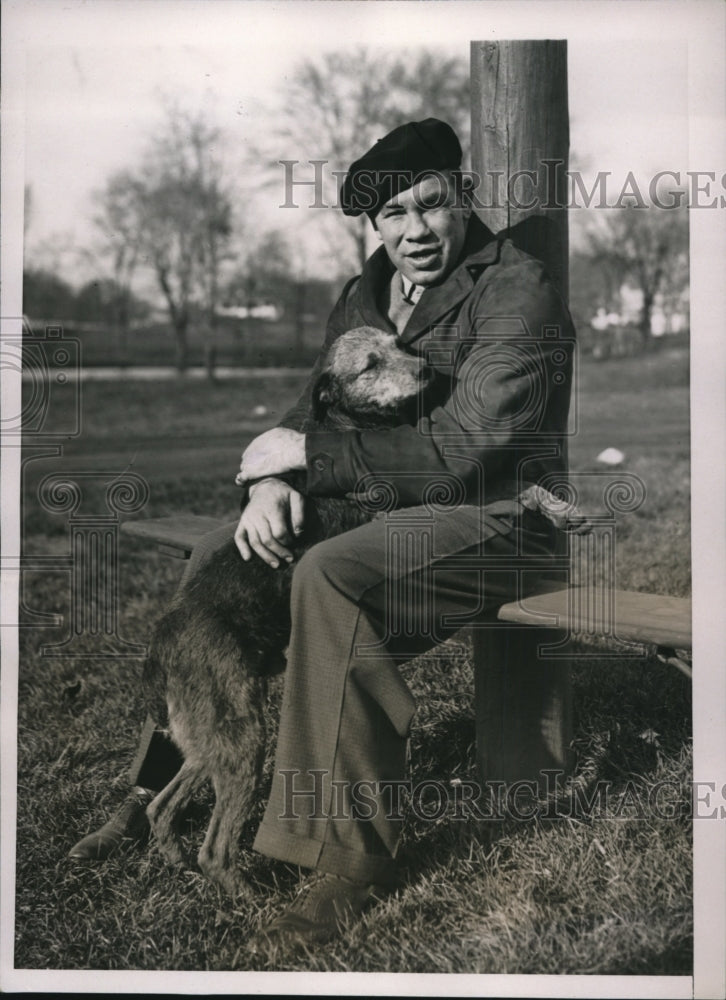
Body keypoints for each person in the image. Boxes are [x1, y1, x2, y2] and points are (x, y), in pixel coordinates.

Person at [69, 119, 575, 951]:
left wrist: (311, 455)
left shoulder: (517, 291)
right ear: (371, 226)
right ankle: (150, 791)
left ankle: (344, 857)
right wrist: (268, 479)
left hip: (499, 517)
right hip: (388, 504)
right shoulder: (364, 292)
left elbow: (465, 449)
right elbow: (311, 411)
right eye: (392, 216)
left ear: (464, 199)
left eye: (432, 205)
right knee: (217, 553)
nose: (414, 231)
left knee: (331, 577)